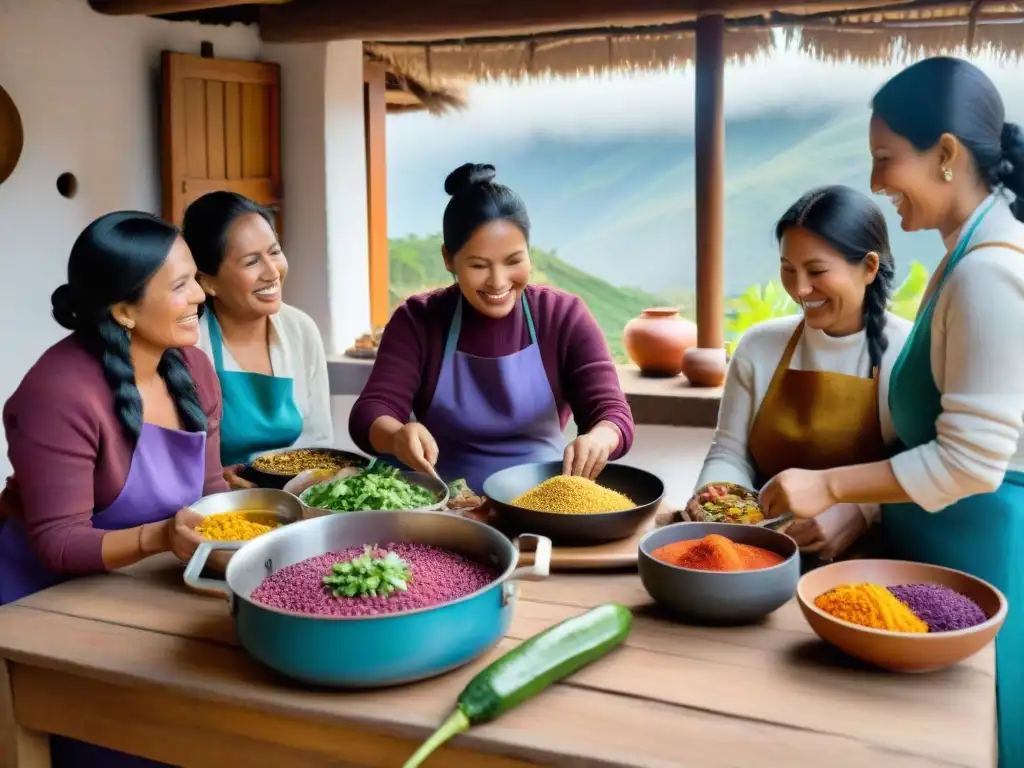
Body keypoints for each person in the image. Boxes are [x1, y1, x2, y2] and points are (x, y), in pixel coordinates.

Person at [758, 58, 1024, 767]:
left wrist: (835, 486)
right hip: (935, 552)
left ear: (945, 154)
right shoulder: (962, 254)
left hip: (980, 551)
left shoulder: (988, 271)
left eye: (885, 159)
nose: (875, 183)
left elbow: (972, 460)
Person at [0, 211, 228, 766]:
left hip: (136, 583)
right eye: (180, 285)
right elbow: (57, 540)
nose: (200, 294)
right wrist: (157, 539)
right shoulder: (57, 393)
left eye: (195, 276)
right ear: (124, 310)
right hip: (38, 600)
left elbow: (213, 491)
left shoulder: (194, 368)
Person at [349, 163, 635, 492]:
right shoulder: (418, 320)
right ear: (448, 259)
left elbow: (611, 412)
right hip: (441, 500)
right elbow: (370, 412)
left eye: (514, 261)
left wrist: (601, 437)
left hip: (538, 500)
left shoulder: (563, 316)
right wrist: (398, 436)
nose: (498, 281)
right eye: (478, 265)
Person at [667, 186, 911, 561]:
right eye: (787, 269)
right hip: (758, 551)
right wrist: (718, 494)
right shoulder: (759, 346)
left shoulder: (906, 353)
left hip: (868, 564)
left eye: (816, 271)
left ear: (869, 267)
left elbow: (925, 467)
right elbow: (731, 450)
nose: (799, 289)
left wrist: (860, 511)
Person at [183, 191, 332, 488]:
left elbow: (319, 441)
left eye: (274, 252)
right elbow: (172, 461)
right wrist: (212, 480)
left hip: (297, 500)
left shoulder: (300, 329)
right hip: (216, 509)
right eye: (251, 262)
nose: (272, 272)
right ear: (207, 281)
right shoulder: (189, 344)